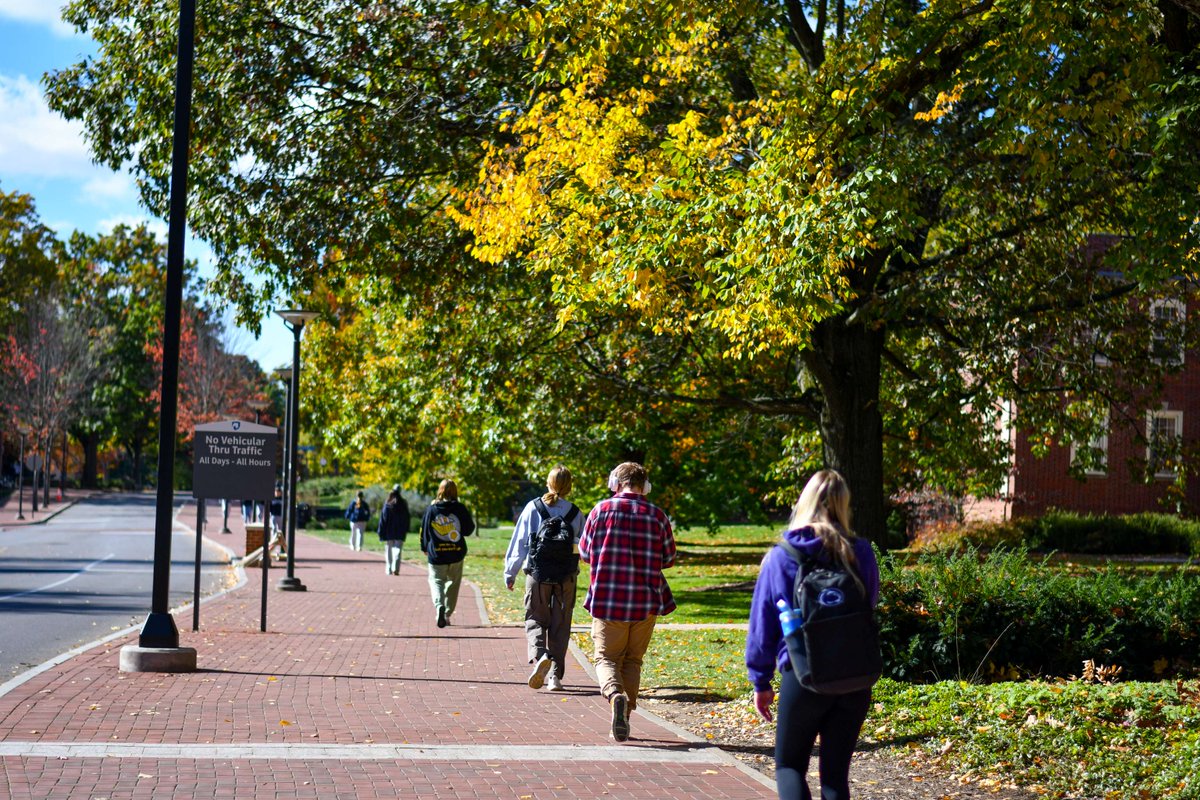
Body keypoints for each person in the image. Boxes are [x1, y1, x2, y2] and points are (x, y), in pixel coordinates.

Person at [745, 469, 881, 800]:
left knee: (789, 766)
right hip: (855, 674)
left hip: (803, 671)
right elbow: (870, 604)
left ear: (804, 502)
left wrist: (760, 682)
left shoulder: (782, 556)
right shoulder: (860, 551)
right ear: (844, 505)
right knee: (835, 774)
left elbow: (762, 625)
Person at [579, 462, 675, 743]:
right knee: (633, 660)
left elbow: (585, 552)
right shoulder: (657, 515)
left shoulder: (600, 511)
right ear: (645, 486)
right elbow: (668, 558)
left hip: (608, 599)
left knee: (606, 657)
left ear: (615, 483)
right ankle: (625, 716)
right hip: (645, 600)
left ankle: (614, 695)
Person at [503, 466, 582, 692]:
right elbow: (583, 548)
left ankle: (540, 657)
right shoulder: (575, 513)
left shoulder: (533, 508)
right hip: (565, 577)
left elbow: (519, 542)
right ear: (569, 486)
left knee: (535, 618)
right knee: (561, 624)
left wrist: (510, 573)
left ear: (548, 482)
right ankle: (555, 677)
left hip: (537, 575)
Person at [420, 479, 475, 628]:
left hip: (437, 554)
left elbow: (424, 530)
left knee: (436, 581)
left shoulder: (432, 509)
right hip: (456, 553)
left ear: (440, 491)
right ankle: (447, 613)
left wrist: (424, 547)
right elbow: (469, 529)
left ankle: (439, 606)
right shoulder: (460, 508)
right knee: (453, 583)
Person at [377, 489, 411, 575]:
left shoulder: (388, 505)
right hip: (400, 531)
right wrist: (406, 529)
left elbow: (383, 519)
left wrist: (380, 531)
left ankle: (389, 568)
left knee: (389, 550)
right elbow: (407, 518)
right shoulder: (403, 505)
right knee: (398, 550)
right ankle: (396, 568)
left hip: (389, 531)